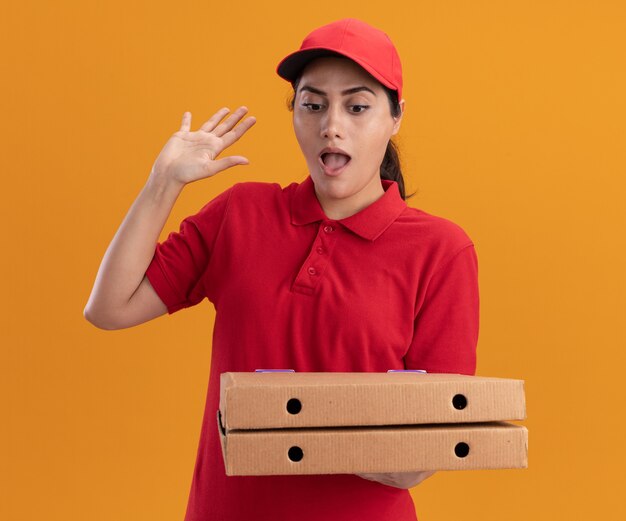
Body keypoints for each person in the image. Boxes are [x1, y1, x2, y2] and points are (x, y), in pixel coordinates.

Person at [84, 18, 479, 521]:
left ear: (396, 116)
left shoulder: (441, 250)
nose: (331, 125)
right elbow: (109, 308)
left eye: (357, 107)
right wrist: (163, 183)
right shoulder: (239, 214)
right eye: (312, 105)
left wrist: (285, 427)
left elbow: (430, 448)